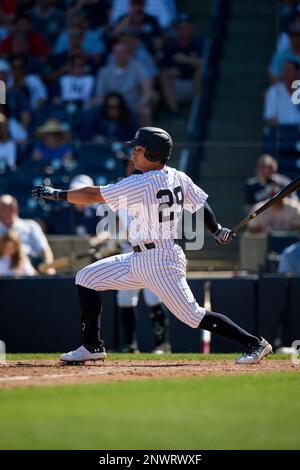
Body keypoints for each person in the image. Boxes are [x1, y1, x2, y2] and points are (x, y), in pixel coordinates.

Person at [32, 126, 272, 365]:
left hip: (160, 261)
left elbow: (93, 195)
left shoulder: (141, 183)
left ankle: (255, 343)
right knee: (86, 278)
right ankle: (91, 345)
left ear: (152, 154)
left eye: (138, 149)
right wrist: (216, 230)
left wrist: (57, 194)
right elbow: (200, 206)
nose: (133, 153)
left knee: (193, 315)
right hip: (140, 258)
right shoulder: (178, 176)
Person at [95, 42, 156, 125]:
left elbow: (147, 91)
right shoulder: (104, 71)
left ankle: (146, 136)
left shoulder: (138, 68)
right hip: (112, 105)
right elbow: (100, 94)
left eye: (122, 52)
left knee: (145, 110)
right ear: (113, 54)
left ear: (128, 54)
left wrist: (141, 104)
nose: (119, 55)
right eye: (117, 52)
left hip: (132, 105)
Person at [160, 14, 203, 116]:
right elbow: (165, 68)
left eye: (185, 27)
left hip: (194, 83)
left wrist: (186, 60)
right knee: (164, 75)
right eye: (180, 27)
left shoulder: (199, 44)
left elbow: (205, 64)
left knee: (199, 72)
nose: (182, 30)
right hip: (176, 85)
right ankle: (175, 111)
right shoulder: (171, 46)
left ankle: (198, 111)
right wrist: (189, 66)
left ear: (192, 28)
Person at [0, 194, 54, 271]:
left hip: (30, 272)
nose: (1, 213)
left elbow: (45, 250)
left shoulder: (30, 226)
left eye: (4, 209)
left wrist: (49, 268)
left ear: (14, 209)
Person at [264, 60, 300, 125]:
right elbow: (269, 116)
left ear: (297, 72)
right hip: (282, 130)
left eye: (289, 71)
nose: (286, 74)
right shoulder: (274, 91)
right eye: (285, 71)